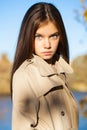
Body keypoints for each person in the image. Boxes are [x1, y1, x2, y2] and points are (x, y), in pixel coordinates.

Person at [11, 2, 79, 130]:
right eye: (39, 37)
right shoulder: (25, 76)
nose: (47, 45)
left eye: (53, 36)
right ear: (28, 36)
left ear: (60, 36)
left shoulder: (59, 69)